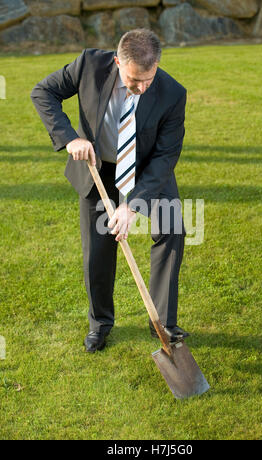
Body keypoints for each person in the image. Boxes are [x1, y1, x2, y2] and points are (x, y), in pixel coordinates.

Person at [31, 28, 189, 353]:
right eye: (134, 80)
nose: (142, 87)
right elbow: (43, 92)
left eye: (148, 78)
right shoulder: (90, 64)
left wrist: (132, 207)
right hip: (98, 167)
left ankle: (162, 322)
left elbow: (165, 155)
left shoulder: (173, 93)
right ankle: (100, 324)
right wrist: (69, 137)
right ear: (117, 62)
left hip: (147, 169)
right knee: (98, 249)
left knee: (172, 231)